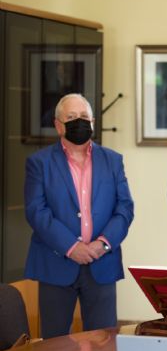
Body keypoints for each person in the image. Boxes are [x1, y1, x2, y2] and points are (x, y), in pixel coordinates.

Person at [23, 93, 134, 338]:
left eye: (84, 116)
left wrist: (102, 244)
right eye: (71, 117)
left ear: (93, 121)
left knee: (103, 342)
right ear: (58, 125)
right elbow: (36, 211)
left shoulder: (113, 161)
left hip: (102, 263)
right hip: (55, 263)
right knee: (54, 344)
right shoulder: (39, 163)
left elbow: (124, 208)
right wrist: (72, 247)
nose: (79, 122)